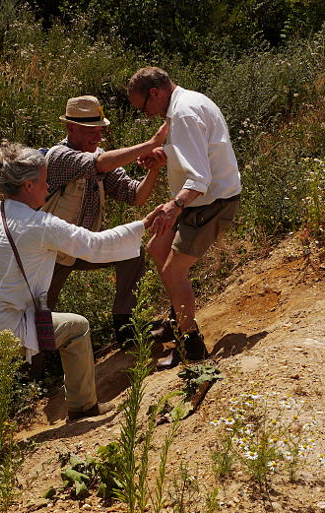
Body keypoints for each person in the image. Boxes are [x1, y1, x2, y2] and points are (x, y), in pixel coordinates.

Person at [0, 142, 155, 478]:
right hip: (5, 328)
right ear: (29, 185)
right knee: (76, 328)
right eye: (45, 180)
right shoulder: (41, 225)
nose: (49, 187)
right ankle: (84, 409)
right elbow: (95, 247)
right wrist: (145, 224)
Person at [127, 67, 241, 368]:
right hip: (198, 200)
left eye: (144, 107)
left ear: (155, 93)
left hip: (210, 202)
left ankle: (192, 347)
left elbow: (200, 178)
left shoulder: (184, 114)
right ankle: (178, 317)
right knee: (156, 248)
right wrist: (162, 153)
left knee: (174, 270)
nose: (147, 114)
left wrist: (173, 206)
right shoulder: (181, 105)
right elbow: (186, 148)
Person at [44, 95, 169, 348]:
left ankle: (126, 328)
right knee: (38, 314)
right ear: (70, 128)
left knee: (130, 251)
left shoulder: (99, 156)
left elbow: (135, 196)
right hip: (51, 255)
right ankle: (31, 375)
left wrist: (154, 169)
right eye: (91, 131)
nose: (97, 137)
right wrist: (152, 144)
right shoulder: (59, 157)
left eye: (100, 131)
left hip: (84, 246)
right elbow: (99, 164)